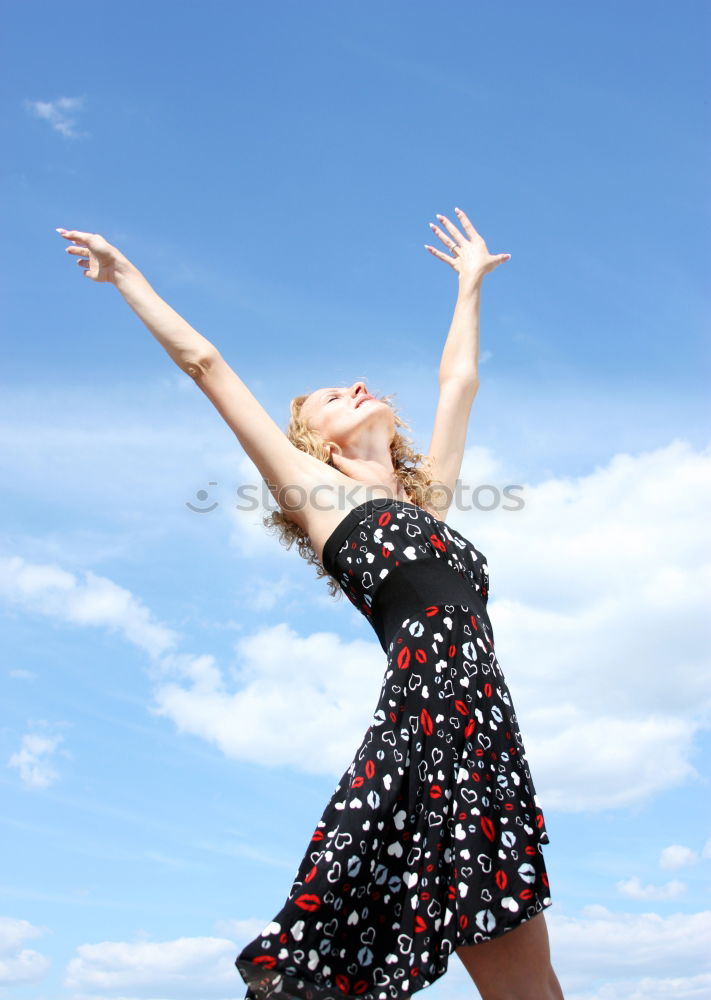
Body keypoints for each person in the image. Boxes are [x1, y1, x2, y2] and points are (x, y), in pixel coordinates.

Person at [56, 208, 564, 1000]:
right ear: (315, 443)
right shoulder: (315, 494)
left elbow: (458, 382)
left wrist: (468, 286)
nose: (358, 386)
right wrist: (126, 277)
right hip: (426, 736)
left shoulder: (427, 508)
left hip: (487, 735)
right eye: (335, 394)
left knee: (532, 990)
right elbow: (206, 363)